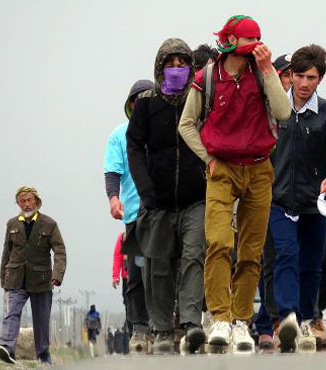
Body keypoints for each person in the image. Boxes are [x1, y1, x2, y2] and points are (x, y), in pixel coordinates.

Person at [178, 15, 290, 353]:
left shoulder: (261, 72)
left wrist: (269, 68)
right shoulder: (207, 77)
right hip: (221, 169)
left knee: (252, 251)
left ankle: (242, 322)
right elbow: (186, 124)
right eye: (248, 40)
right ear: (230, 42)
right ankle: (221, 318)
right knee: (220, 242)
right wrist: (208, 159)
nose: (254, 46)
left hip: (259, 169)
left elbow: (284, 113)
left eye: (257, 39)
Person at [127, 38, 207, 354]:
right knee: (158, 265)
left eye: (182, 64)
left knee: (193, 258)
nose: (177, 70)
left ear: (190, 68)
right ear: (160, 68)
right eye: (170, 64)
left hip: (196, 199)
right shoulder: (146, 103)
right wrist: (145, 189)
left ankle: (190, 325)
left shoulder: (200, 99)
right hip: (156, 201)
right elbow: (134, 146)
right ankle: (161, 330)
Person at [270, 44, 326, 353]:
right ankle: (288, 317)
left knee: (313, 264)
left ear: (320, 79)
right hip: (278, 200)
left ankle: (306, 320)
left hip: (315, 201)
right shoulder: (276, 109)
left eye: (312, 78)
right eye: (299, 76)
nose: (304, 84)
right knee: (287, 255)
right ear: (289, 76)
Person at [104, 79, 154, 353]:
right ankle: (139, 328)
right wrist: (114, 199)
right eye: (137, 100)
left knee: (163, 271)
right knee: (136, 272)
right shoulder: (119, 135)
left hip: (164, 212)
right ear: (131, 105)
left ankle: (164, 326)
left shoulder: (164, 130)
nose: (141, 105)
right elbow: (113, 172)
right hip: (134, 214)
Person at [0, 186, 66, 365]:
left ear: (36, 201)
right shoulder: (12, 224)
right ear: (18, 203)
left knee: (41, 319)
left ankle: (43, 353)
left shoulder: (49, 224)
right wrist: (4, 277)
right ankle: (6, 347)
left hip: (42, 279)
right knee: (12, 312)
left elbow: (59, 251)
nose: (26, 204)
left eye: (29, 200)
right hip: (16, 277)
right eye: (22, 201)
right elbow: (6, 251)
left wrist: (57, 274)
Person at [254, 52, 292, 353]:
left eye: (296, 74)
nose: (291, 80)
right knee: (268, 262)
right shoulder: (263, 107)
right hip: (263, 195)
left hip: (293, 198)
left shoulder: (306, 112)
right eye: (286, 74)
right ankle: (269, 325)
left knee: (290, 258)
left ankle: (290, 320)